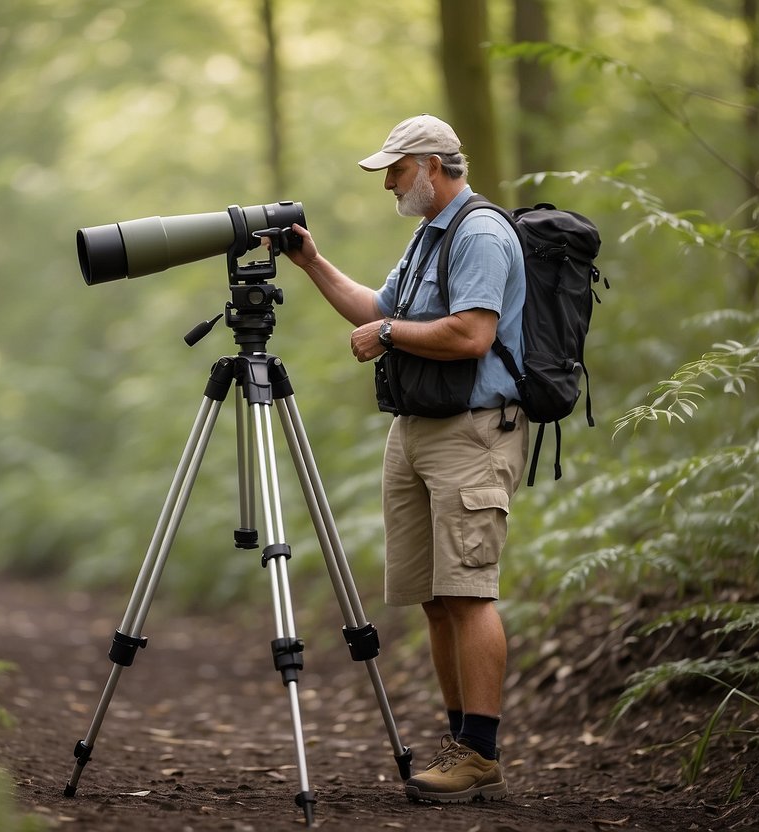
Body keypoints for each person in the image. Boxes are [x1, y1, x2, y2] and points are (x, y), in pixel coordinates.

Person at [282, 114, 529, 803]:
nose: (387, 182)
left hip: (472, 431)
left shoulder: (478, 233)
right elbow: (375, 309)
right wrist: (310, 261)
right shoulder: (427, 238)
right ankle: (458, 745)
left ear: (429, 164)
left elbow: (471, 335)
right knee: (432, 594)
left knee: (466, 591)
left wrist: (387, 332)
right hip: (417, 429)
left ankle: (477, 752)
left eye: (394, 169)